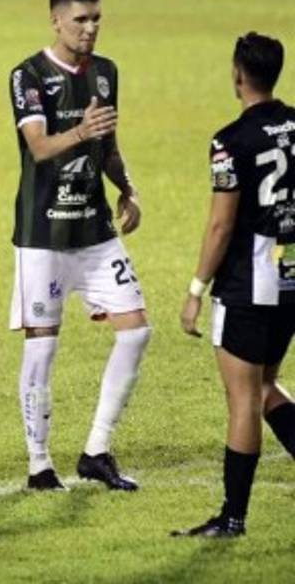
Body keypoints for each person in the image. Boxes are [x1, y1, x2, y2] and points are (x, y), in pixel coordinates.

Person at [8, 0, 150, 492]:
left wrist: (128, 189)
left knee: (135, 330)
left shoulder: (107, 73)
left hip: (94, 229)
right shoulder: (28, 76)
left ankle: (96, 449)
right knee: (42, 349)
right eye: (80, 20)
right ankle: (39, 463)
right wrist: (80, 133)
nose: (89, 28)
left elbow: (109, 145)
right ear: (56, 21)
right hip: (42, 234)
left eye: (96, 19)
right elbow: (40, 147)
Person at [174, 31, 295, 538]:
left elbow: (222, 226)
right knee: (265, 384)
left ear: (238, 75)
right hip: (292, 276)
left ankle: (233, 518)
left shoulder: (230, 141)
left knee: (243, 398)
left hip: (249, 285)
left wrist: (196, 289)